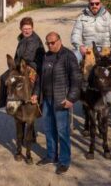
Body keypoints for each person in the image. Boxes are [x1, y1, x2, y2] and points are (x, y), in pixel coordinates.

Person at [30, 32, 81, 175]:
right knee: (48, 129)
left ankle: (64, 161)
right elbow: (40, 78)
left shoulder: (68, 56)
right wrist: (35, 93)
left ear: (59, 40)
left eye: (53, 42)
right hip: (46, 99)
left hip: (61, 100)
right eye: (48, 43)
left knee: (62, 131)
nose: (50, 45)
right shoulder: (46, 56)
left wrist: (71, 98)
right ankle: (51, 155)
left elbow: (76, 80)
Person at [0, 17, 44, 109]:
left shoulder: (33, 40)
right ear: (20, 28)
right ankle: (3, 100)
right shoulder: (23, 38)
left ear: (32, 28)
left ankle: (2, 101)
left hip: (34, 65)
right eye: (25, 29)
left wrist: (14, 66)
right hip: (22, 64)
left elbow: (27, 57)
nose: (27, 31)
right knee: (5, 78)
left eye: (29, 29)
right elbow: (18, 55)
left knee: (6, 78)